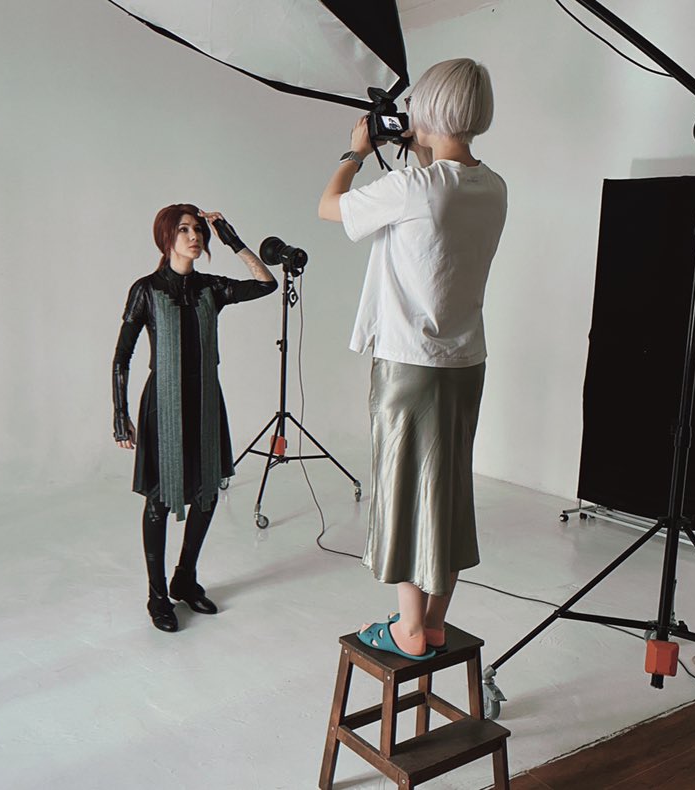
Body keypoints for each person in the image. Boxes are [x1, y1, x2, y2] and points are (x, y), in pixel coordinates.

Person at [318, 59, 507, 660]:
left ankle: (408, 629)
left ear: (428, 108)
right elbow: (441, 196)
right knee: (447, 489)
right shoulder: (492, 186)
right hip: (465, 360)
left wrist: (355, 152)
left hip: (408, 362)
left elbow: (330, 206)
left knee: (401, 488)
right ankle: (435, 621)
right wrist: (421, 148)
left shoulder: (413, 187)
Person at [113, 204, 277, 632]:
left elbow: (267, 284)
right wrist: (120, 413)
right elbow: (122, 356)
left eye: (198, 230)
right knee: (159, 499)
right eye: (184, 229)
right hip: (162, 405)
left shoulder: (211, 288)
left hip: (205, 401)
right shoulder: (146, 290)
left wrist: (232, 240)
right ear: (166, 237)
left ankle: (184, 578)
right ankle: (156, 595)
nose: (194, 236)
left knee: (206, 492)